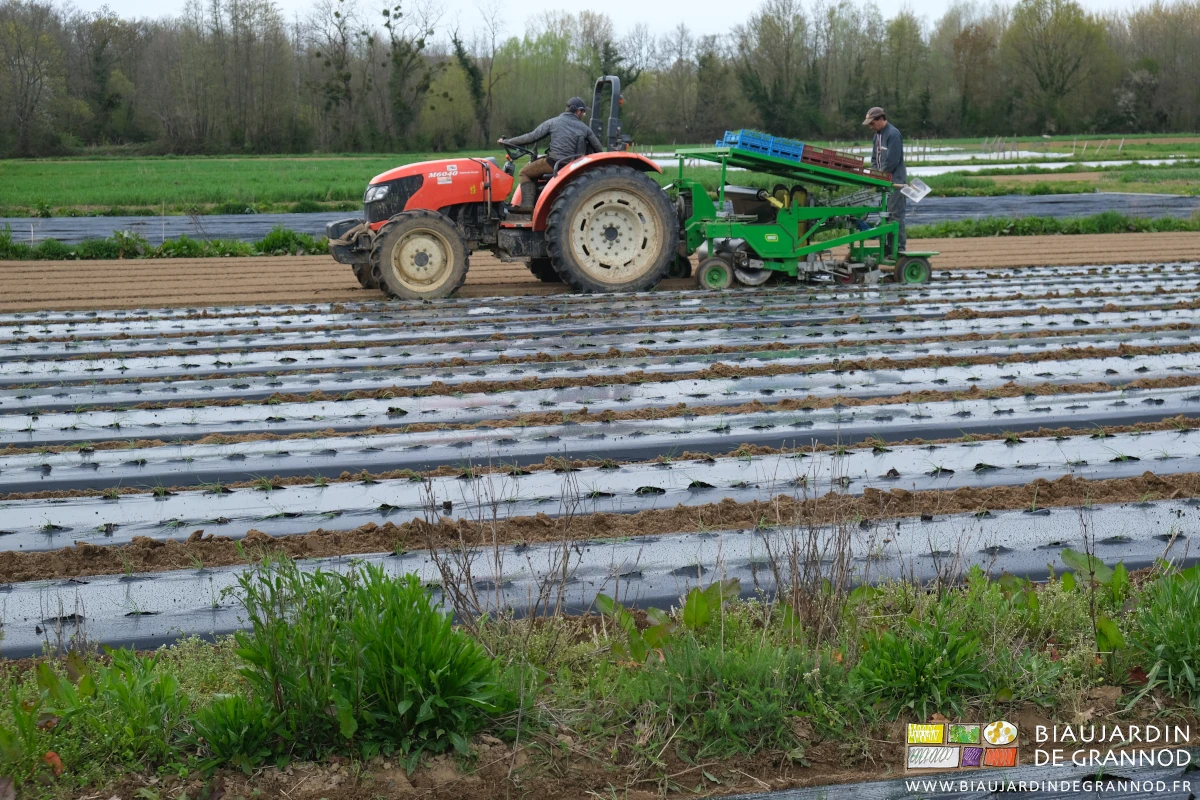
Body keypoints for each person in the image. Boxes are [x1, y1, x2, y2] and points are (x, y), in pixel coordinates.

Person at [499, 96, 603, 212]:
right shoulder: (585, 128)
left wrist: (507, 142)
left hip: (553, 164)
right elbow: (599, 150)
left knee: (524, 173)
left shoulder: (553, 122)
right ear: (578, 111)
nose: (583, 115)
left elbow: (531, 137)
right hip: (573, 167)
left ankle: (527, 205)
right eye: (583, 113)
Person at [863, 106, 907, 255]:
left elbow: (893, 161)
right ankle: (888, 247)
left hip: (896, 182)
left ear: (881, 119)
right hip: (884, 182)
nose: (870, 127)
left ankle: (899, 248)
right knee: (885, 215)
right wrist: (875, 173)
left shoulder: (893, 134)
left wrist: (881, 175)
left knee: (895, 215)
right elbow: (874, 158)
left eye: (872, 123)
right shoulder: (877, 136)